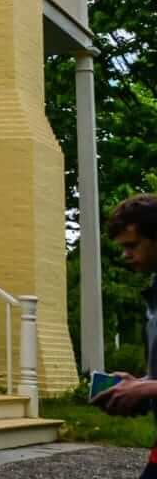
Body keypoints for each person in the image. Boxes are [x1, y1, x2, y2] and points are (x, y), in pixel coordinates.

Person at [94, 193, 157, 477]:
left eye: (132, 245)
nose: (125, 255)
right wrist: (138, 384)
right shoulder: (153, 295)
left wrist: (148, 389)